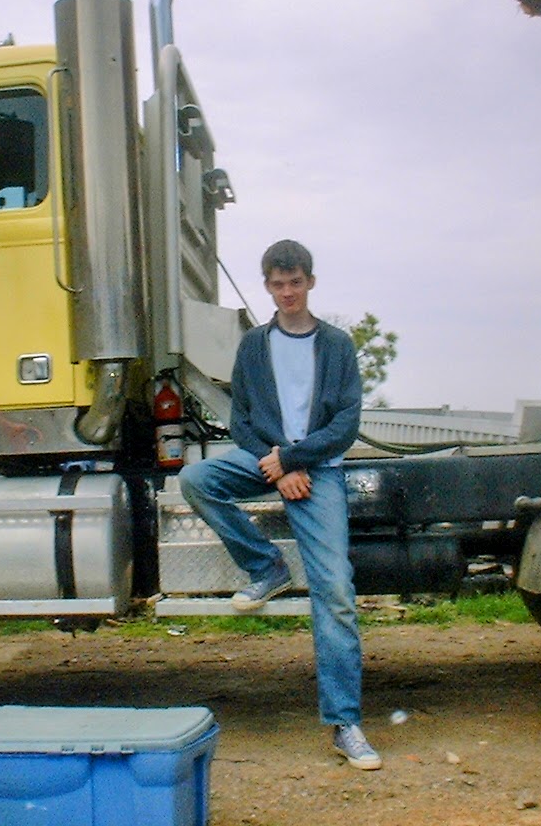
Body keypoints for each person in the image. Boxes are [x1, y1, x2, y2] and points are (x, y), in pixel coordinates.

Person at [178, 239, 381, 771]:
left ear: (310, 282)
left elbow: (345, 424)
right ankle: (266, 566)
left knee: (335, 591)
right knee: (198, 479)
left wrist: (293, 460)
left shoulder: (336, 344)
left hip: (319, 471)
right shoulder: (254, 345)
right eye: (277, 283)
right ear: (268, 286)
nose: (287, 292)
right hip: (267, 460)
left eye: (296, 282)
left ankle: (345, 723)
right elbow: (239, 419)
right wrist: (274, 461)